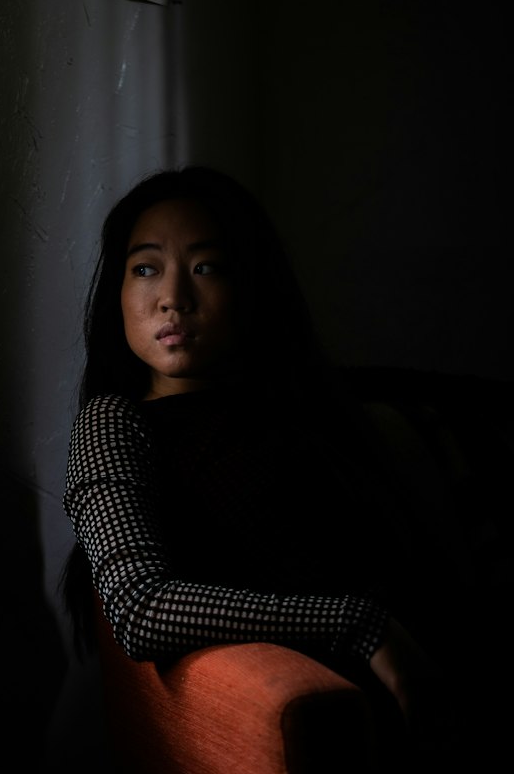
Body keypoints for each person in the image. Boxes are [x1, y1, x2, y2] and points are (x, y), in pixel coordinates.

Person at [62, 165, 442, 734]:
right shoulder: (114, 423)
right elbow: (140, 609)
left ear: (251, 285)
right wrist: (359, 625)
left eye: (206, 267)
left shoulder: (305, 412)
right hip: (318, 704)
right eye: (145, 269)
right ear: (116, 292)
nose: (173, 298)